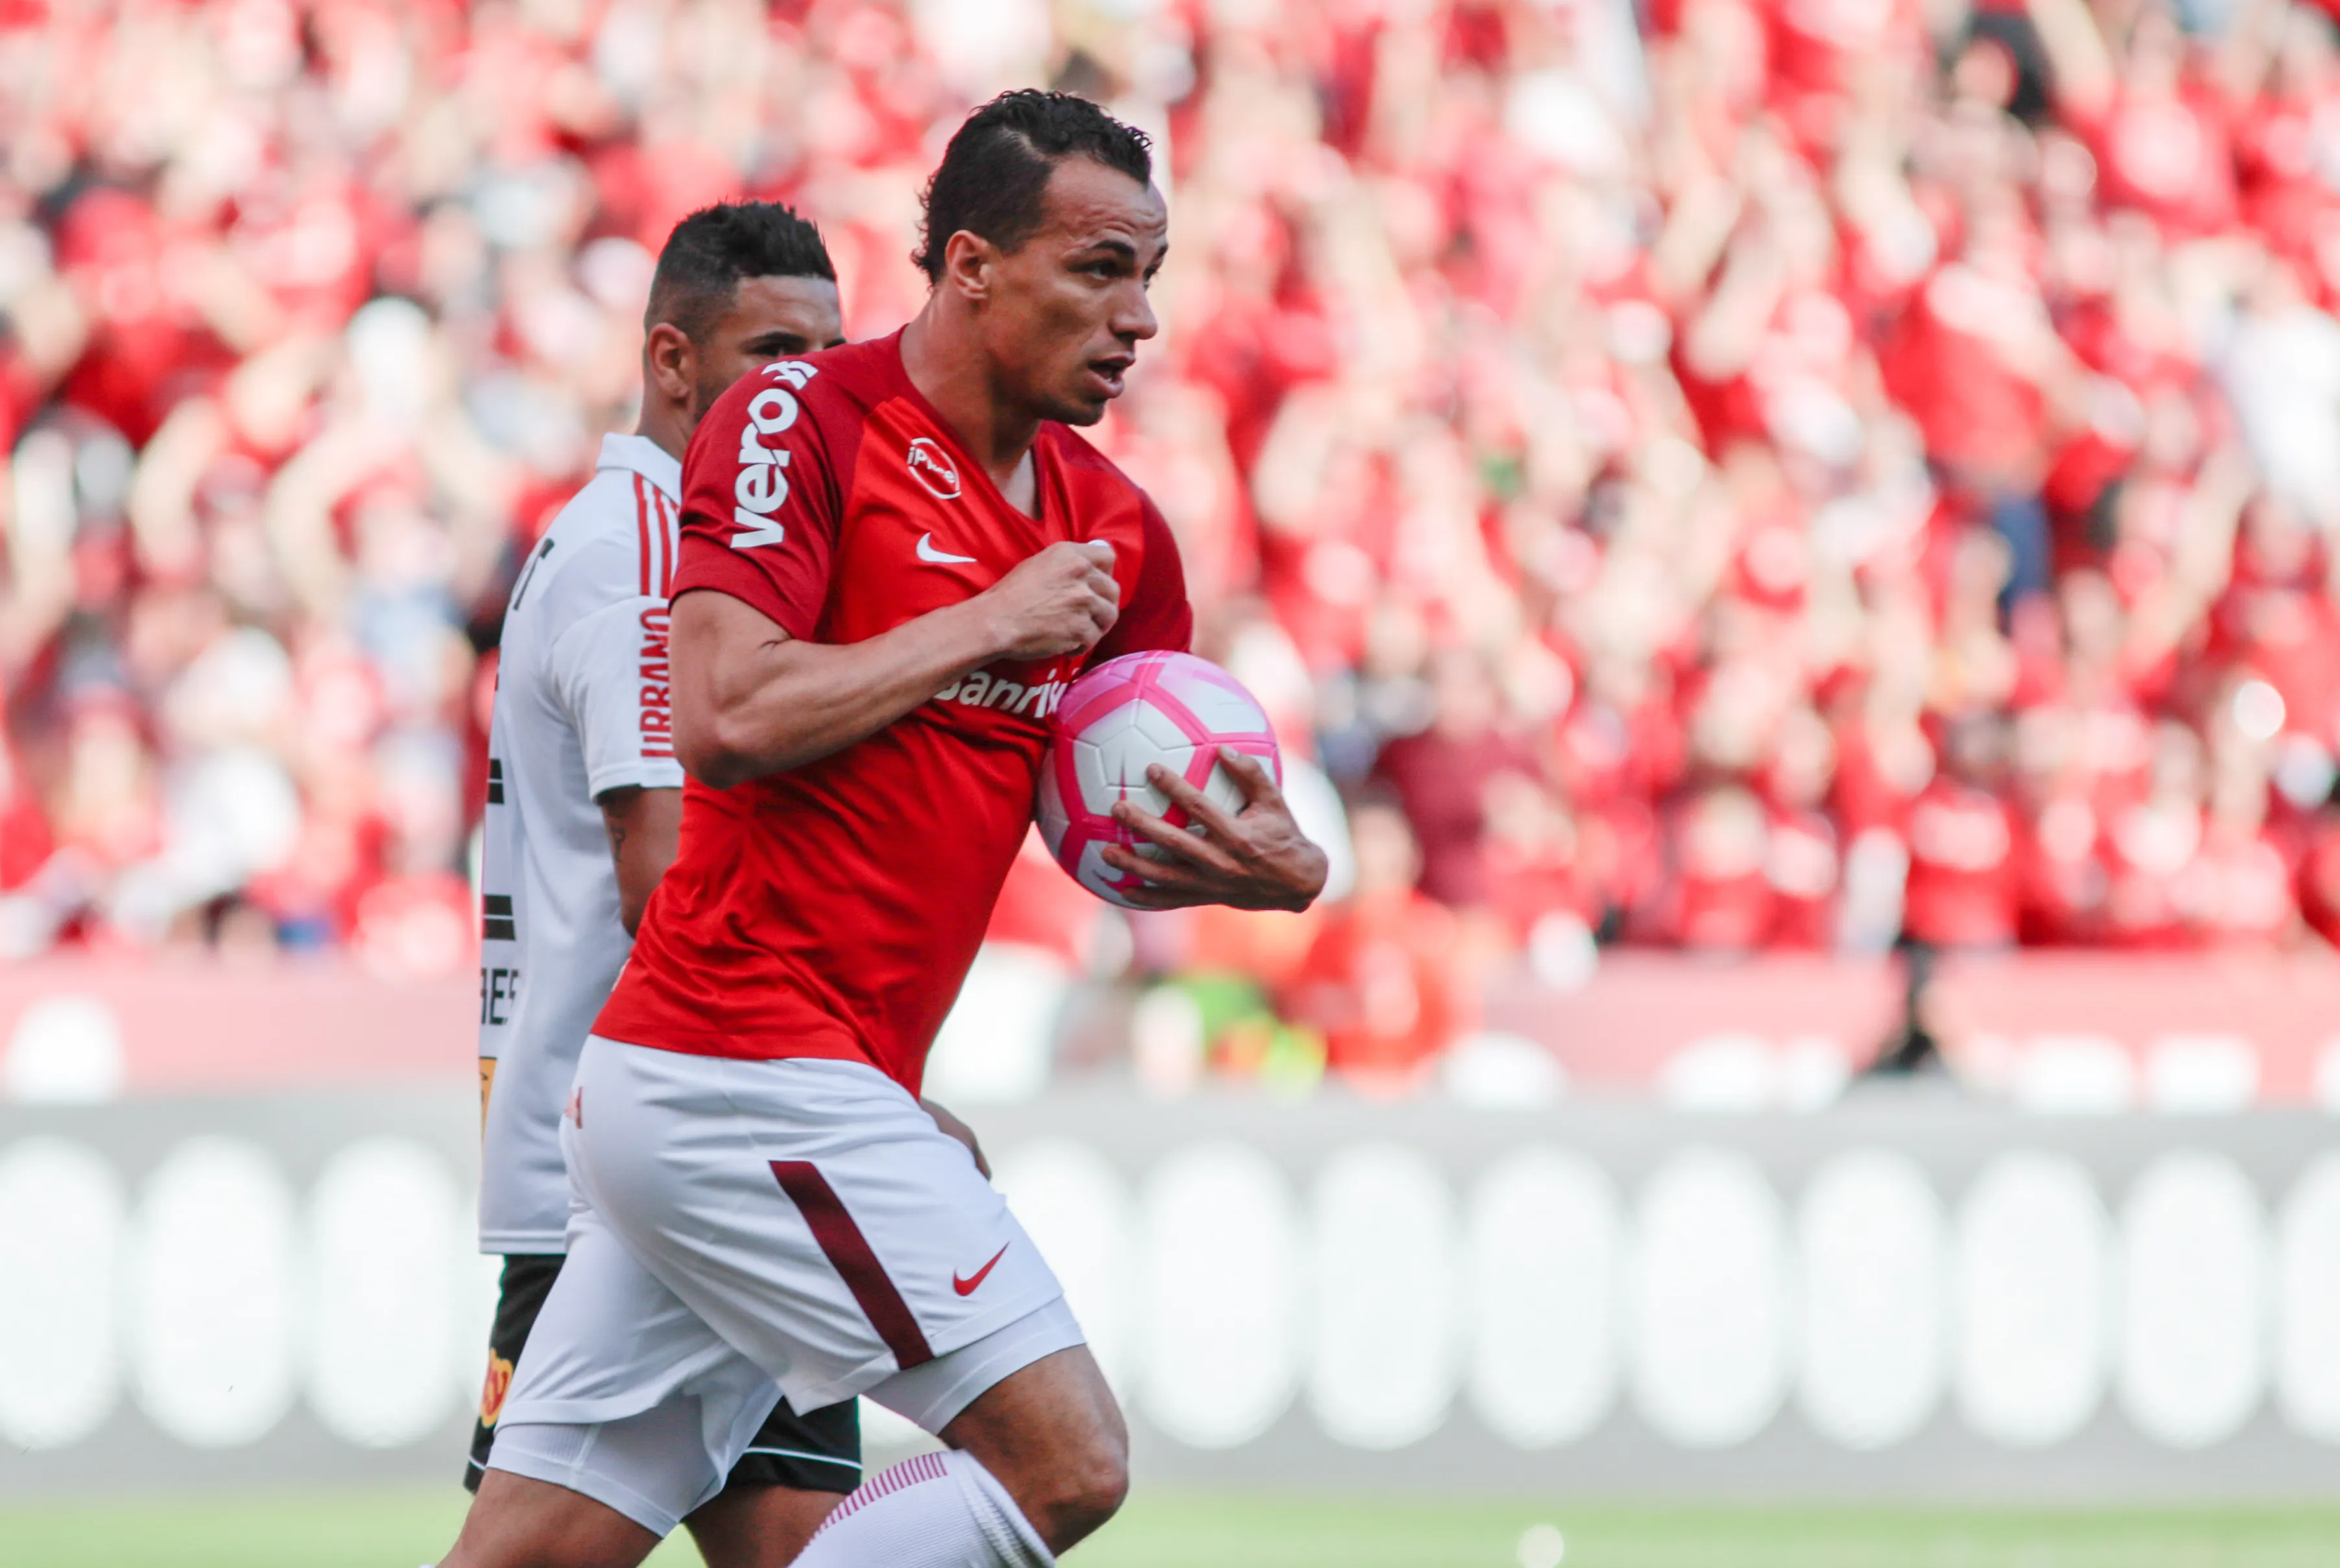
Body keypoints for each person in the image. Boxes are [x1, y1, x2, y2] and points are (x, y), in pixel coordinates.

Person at [442, 89, 1327, 1568]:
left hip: (768, 1084)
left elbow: (1108, 814)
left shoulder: (1115, 531)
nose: (1141, 319)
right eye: (1099, 269)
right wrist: (990, 618)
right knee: (1065, 1466)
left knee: (528, 1556)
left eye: (1151, 276)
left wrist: (1274, 865)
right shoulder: (802, 418)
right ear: (970, 266)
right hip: (743, 1066)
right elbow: (724, 711)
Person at [469, 200, 868, 1568]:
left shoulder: (661, 541)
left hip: (692, 1142)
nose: (804, 389)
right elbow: (667, 880)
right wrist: (852, 1083)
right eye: (773, 350)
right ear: (672, 359)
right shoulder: (648, 561)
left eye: (827, 355)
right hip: (643, 1166)